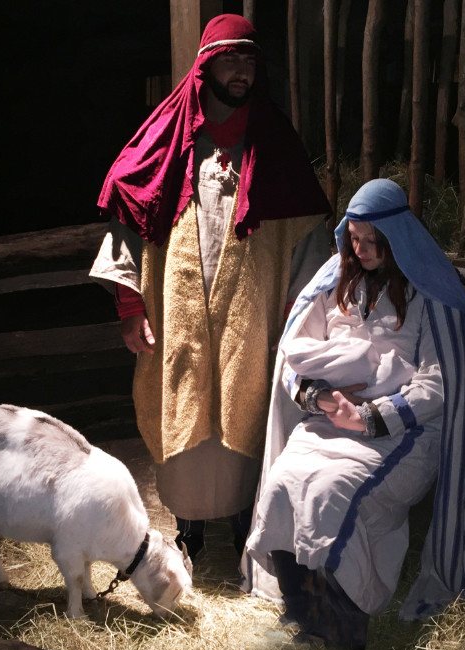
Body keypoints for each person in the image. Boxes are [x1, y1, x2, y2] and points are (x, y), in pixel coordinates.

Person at [90, 14, 331, 561]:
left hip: (251, 318)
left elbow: (307, 238)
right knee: (183, 406)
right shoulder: (167, 141)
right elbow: (127, 211)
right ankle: (189, 528)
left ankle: (247, 520)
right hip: (178, 317)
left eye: (248, 59)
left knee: (247, 407)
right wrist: (130, 305)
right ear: (206, 66)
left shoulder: (275, 146)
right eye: (229, 59)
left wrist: (294, 317)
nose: (241, 70)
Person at [242, 178, 465, 650]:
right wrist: (318, 398)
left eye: (373, 241)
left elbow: (438, 383)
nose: (362, 250)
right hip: (329, 421)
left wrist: (371, 416)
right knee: (283, 483)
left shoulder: (427, 291)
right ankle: (302, 611)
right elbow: (293, 355)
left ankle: (343, 625)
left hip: (401, 431)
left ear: (397, 239)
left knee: (334, 493)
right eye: (354, 239)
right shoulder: (334, 281)